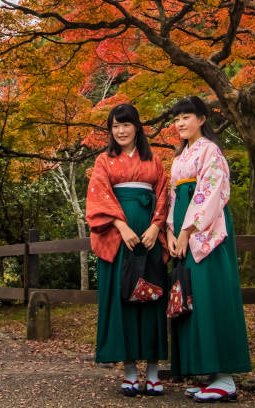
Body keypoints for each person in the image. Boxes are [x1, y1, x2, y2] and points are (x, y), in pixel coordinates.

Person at [166, 96, 251, 403]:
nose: (180, 123)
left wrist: (188, 230)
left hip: (206, 233)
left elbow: (209, 192)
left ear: (202, 119)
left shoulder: (210, 151)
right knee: (193, 299)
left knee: (212, 295)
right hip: (184, 232)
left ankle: (226, 377)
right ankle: (209, 373)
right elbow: (175, 196)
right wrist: (171, 231)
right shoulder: (181, 156)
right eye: (177, 119)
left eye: (186, 117)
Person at [85, 103, 169, 397]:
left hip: (148, 237)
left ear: (137, 127)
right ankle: (131, 372)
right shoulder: (103, 161)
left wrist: (156, 226)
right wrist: (121, 227)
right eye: (115, 126)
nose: (120, 131)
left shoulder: (154, 161)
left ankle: (155, 373)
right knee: (125, 301)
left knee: (152, 298)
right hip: (119, 239)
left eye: (126, 124)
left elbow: (163, 195)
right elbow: (98, 197)